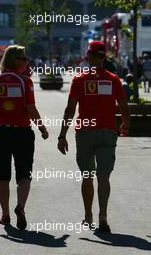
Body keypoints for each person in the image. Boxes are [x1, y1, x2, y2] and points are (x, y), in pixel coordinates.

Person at [57, 41, 130, 232]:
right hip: (107, 131)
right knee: (104, 176)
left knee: (87, 176)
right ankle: (103, 216)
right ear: (104, 57)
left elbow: (70, 109)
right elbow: (123, 105)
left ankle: (88, 215)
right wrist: (125, 123)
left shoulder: (79, 80)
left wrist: (62, 135)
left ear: (88, 57)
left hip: (85, 132)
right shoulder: (113, 79)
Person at [0, 45, 49, 230]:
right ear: (15, 60)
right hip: (22, 132)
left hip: (1, 132)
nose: (27, 61)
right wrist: (42, 128)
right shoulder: (25, 82)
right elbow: (31, 109)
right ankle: (20, 207)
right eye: (24, 58)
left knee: (2, 175)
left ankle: (5, 214)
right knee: (24, 174)